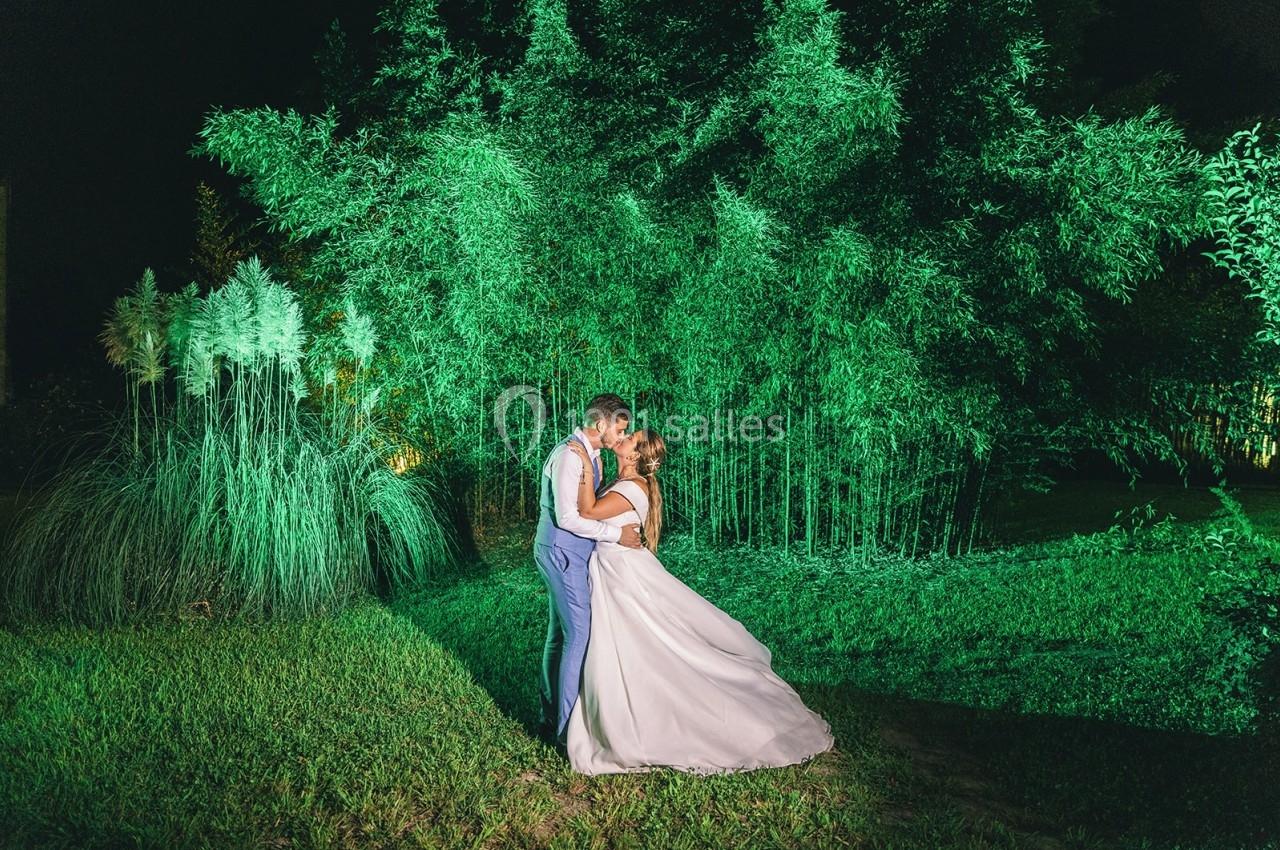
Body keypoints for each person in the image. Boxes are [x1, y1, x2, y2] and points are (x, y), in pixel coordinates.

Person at [560, 427, 836, 775]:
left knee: (645, 643)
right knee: (637, 643)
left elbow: (585, 511)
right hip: (616, 571)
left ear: (634, 456)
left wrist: (584, 460)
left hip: (623, 575)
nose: (625, 436)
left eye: (630, 438)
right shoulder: (630, 483)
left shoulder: (631, 487)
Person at [533, 393, 643, 749]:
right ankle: (565, 731)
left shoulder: (590, 454)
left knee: (559, 635)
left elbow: (588, 506)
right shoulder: (570, 455)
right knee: (578, 634)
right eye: (620, 429)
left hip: (569, 553)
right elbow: (568, 518)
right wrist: (616, 535)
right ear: (601, 425)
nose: (622, 437)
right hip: (562, 552)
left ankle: (550, 717)